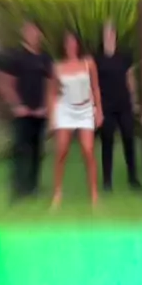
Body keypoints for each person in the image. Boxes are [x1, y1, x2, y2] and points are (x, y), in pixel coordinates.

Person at [0, 21, 52, 200]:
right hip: (22, 114)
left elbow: (50, 85)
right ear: (23, 33)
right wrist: (17, 106)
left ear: (40, 35)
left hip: (40, 114)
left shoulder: (45, 59)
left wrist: (46, 108)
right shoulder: (16, 56)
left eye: (35, 32)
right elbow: (4, 83)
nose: (32, 35)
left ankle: (33, 186)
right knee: (20, 150)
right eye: (29, 31)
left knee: (37, 151)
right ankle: (19, 188)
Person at [48, 32, 103, 208]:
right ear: (63, 46)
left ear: (78, 44)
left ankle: (94, 194)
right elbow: (52, 93)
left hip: (85, 110)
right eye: (68, 42)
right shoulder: (58, 67)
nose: (71, 45)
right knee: (61, 151)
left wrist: (99, 111)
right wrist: (52, 117)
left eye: (74, 42)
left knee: (88, 150)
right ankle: (57, 193)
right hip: (66, 109)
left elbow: (95, 88)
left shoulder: (88, 63)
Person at [95, 21, 142, 193]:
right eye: (106, 33)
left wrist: (135, 101)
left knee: (129, 140)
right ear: (102, 36)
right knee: (107, 143)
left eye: (112, 33)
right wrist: (96, 108)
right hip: (106, 107)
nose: (109, 36)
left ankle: (133, 179)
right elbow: (94, 84)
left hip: (124, 106)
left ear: (115, 35)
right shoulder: (97, 59)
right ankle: (107, 181)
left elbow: (130, 78)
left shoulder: (125, 56)